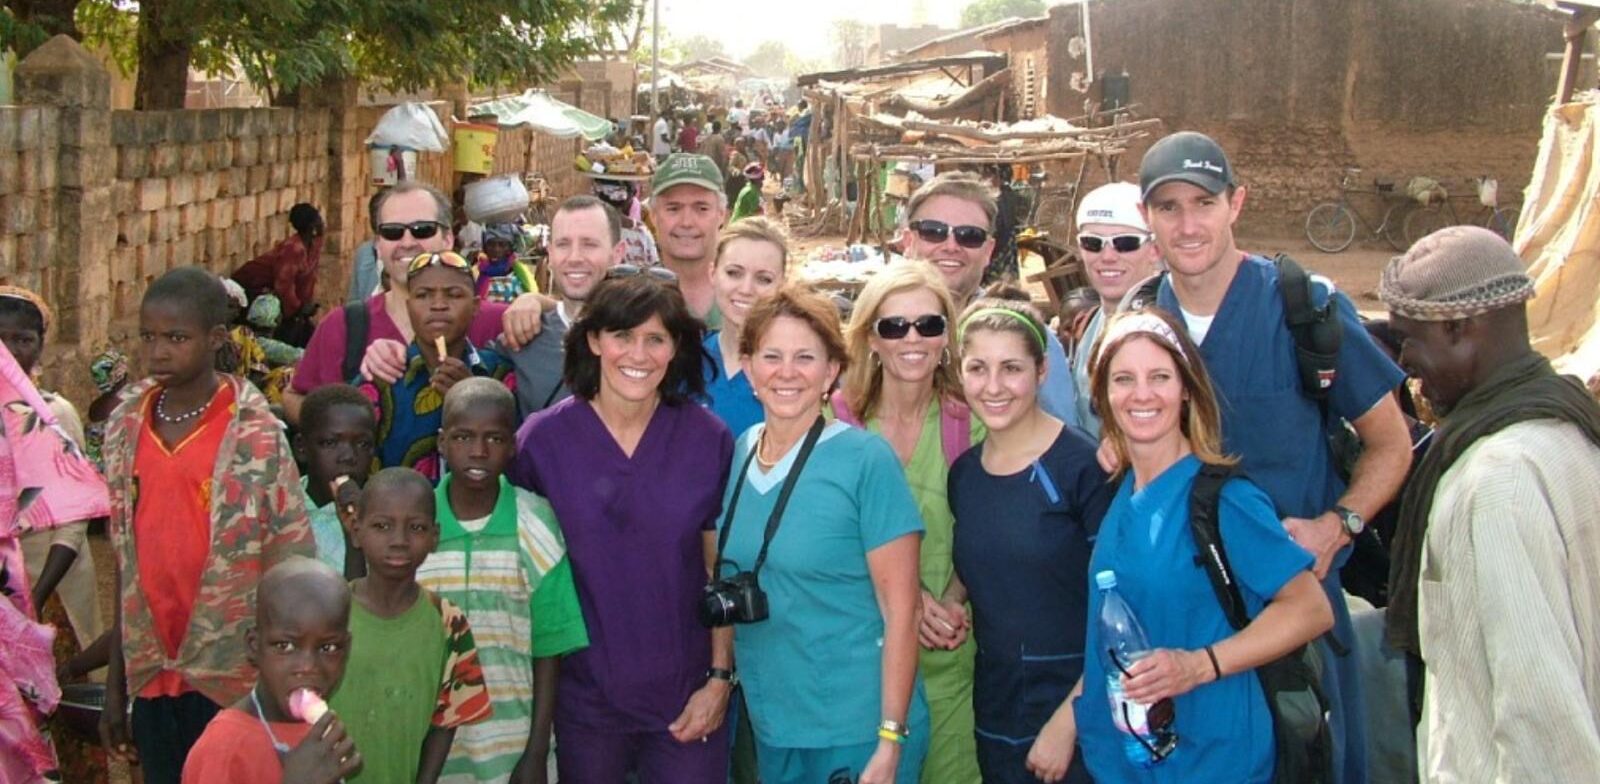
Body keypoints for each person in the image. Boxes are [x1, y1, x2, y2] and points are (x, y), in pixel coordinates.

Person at [1132, 131, 1413, 784]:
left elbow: (1390, 442)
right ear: (1148, 219)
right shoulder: (1142, 324)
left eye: (1203, 202)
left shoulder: (1303, 310)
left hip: (1298, 621)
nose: (1187, 223)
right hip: (1185, 626)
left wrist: (1337, 524)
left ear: (1237, 205)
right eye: (1168, 206)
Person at [1070, 309, 1334, 782]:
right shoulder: (1123, 495)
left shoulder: (1224, 500)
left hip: (1214, 760)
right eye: (1123, 379)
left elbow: (1310, 608)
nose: (1142, 394)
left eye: (1160, 377)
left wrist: (1200, 666)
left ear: (1186, 389)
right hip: (1129, 761)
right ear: (1104, 396)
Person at [1376, 226, 1600, 780]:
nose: (1404, 362)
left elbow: (1538, 710)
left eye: (1409, 340)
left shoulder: (1499, 479)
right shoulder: (1566, 429)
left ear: (1459, 329)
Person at [508, 271, 735, 780]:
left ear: (675, 349)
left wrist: (719, 679)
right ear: (593, 340)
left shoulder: (706, 439)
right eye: (623, 336)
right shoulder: (542, 443)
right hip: (582, 701)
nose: (639, 355)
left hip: (685, 697)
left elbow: (719, 567)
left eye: (656, 339)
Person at [99, 267, 314, 784]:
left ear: (216, 339)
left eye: (176, 338)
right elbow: (127, 565)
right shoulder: (126, 427)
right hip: (152, 673)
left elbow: (292, 563)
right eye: (148, 337)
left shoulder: (253, 434)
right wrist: (115, 688)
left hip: (231, 675)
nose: (157, 353)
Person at [719, 283, 929, 784]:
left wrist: (890, 738)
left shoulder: (865, 461)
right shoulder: (744, 448)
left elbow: (903, 609)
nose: (786, 372)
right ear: (749, 368)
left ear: (831, 371)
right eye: (771, 356)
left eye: (805, 357)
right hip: (777, 724)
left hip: (855, 729)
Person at [927, 297, 1111, 784]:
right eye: (977, 368)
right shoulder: (965, 473)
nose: (993, 387)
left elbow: (1125, 609)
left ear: (1042, 370)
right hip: (998, 705)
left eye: (1011, 368)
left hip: (1080, 708)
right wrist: (949, 600)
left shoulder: (1082, 468)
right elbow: (987, 553)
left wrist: (1068, 721)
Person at [831, 263, 981, 784]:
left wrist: (955, 600)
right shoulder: (836, 424)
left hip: (950, 649)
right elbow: (829, 539)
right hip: (862, 660)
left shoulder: (972, 421)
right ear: (871, 337)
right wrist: (909, 600)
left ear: (947, 337)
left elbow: (991, 527)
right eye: (894, 326)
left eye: (929, 325)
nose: (912, 339)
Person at [417, 379, 591, 782]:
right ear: (442, 443)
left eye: (493, 438)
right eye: (463, 437)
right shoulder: (416, 525)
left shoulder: (536, 523)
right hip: (428, 748)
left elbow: (549, 648)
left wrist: (534, 752)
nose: (478, 451)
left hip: (511, 745)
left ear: (513, 445)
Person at [285, 182, 541, 425]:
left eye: (422, 230)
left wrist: (537, 302)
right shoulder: (344, 327)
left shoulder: (495, 323)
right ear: (378, 245)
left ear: (448, 239)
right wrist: (338, 423)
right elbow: (294, 397)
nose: (407, 243)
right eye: (392, 232)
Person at [329, 467, 492, 783]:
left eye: (416, 527)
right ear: (356, 531)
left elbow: (447, 720)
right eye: (382, 526)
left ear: (434, 537)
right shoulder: (328, 614)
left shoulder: (448, 623)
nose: (399, 541)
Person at [900, 173, 1080, 427]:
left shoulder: (1026, 333)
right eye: (934, 232)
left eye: (969, 235)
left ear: (988, 251)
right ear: (909, 241)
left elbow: (1062, 440)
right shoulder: (882, 330)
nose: (951, 246)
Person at [179, 558, 362, 784]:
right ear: (254, 646)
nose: (308, 667)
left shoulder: (321, 732)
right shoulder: (223, 748)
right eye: (285, 646)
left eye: (328, 648)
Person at [0, 287, 103, 652]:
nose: (10, 351)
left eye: (23, 340)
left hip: (51, 583)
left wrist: (36, 595)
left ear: (40, 347)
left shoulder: (54, 415)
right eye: (1, 340)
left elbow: (74, 520)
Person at [357, 251, 512, 482]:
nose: (438, 305)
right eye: (423, 295)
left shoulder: (502, 375)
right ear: (409, 307)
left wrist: (471, 399)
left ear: (475, 306)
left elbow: (519, 456)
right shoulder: (381, 378)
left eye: (454, 295)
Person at [1068, 182, 1161, 436]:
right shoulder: (1086, 325)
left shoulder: (1168, 329)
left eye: (1125, 243)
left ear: (1154, 249)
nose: (1107, 256)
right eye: (1092, 243)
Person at [702, 218, 789, 438]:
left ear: (783, 284)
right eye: (734, 273)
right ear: (713, 273)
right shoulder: (685, 361)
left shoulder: (794, 374)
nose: (746, 289)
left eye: (764, 279)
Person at [292, 384, 377, 578]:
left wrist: (354, 534)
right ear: (301, 448)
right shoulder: (282, 511)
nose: (348, 456)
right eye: (330, 443)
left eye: (363, 444)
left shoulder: (384, 516)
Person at [652, 153, 728, 327]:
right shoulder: (635, 300)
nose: (686, 222)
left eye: (701, 208)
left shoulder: (746, 295)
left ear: (721, 215)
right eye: (673, 208)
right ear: (654, 216)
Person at [231, 202, 324, 341]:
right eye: (319, 219)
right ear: (312, 227)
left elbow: (306, 280)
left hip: (285, 301)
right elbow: (283, 286)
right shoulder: (293, 249)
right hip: (253, 290)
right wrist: (299, 309)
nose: (322, 222)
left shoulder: (313, 243)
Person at [475, 222, 538, 304]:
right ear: (485, 248)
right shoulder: (476, 272)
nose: (496, 249)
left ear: (510, 249)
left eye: (502, 245)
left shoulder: (519, 275)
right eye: (491, 244)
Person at [347, 191, 387, 304]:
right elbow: (355, 296)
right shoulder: (365, 252)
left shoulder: (405, 252)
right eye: (373, 214)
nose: (375, 219)